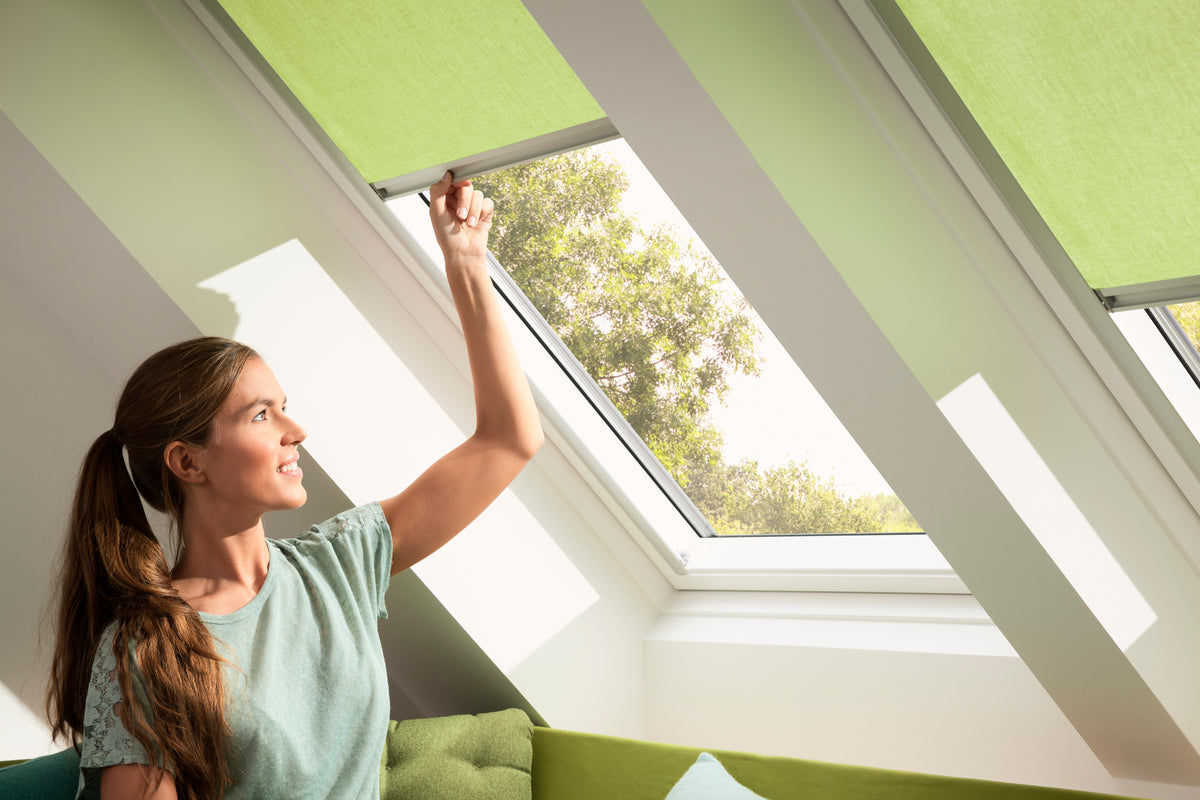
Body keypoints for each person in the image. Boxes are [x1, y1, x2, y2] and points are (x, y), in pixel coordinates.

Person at [44, 173, 543, 800]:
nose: (296, 430)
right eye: (261, 415)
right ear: (188, 462)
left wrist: (466, 262)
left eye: (284, 407)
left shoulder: (340, 565)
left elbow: (508, 441)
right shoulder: (148, 648)